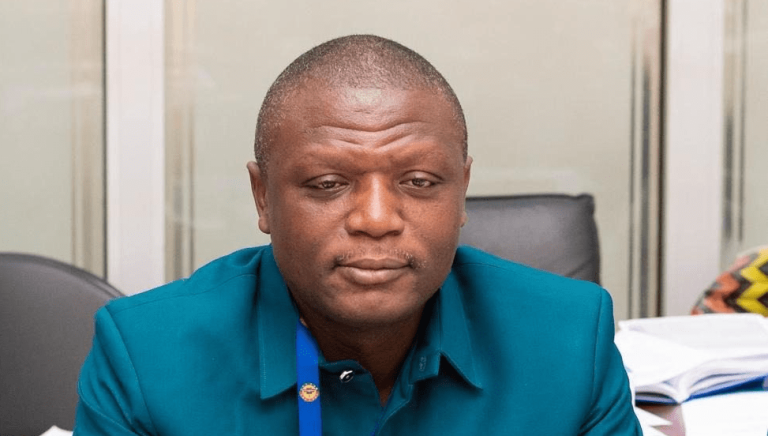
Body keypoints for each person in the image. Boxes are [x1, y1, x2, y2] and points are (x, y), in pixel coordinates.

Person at [74, 35, 641, 435]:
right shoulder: (145, 354)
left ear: (461, 189)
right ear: (263, 197)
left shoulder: (570, 338)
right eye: (326, 183)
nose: (376, 218)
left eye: (419, 181)